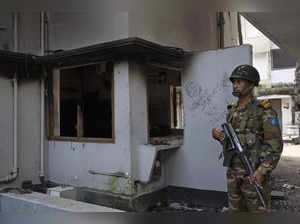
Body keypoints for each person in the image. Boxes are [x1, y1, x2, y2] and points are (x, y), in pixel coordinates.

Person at [212, 64, 283, 212]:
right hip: (233, 174)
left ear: (251, 84)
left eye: (239, 81)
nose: (235, 85)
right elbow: (231, 143)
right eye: (234, 82)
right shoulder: (232, 110)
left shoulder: (264, 111)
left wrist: (261, 172)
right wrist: (220, 137)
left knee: (257, 213)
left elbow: (275, 147)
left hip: (253, 175)